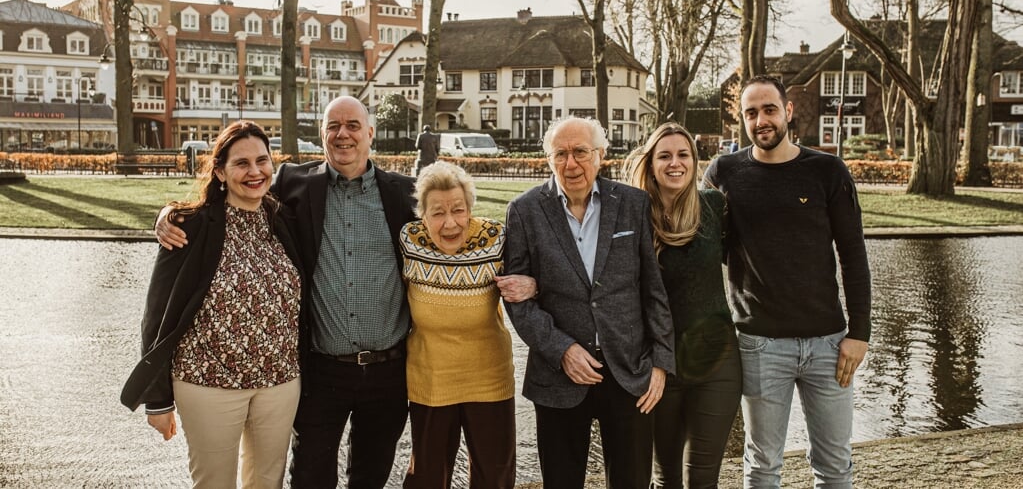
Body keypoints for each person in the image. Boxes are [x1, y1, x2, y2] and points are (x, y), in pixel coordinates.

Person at [157, 95, 417, 489]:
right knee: (309, 478)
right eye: (333, 126)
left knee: (370, 476)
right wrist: (167, 216)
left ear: (370, 133)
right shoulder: (296, 185)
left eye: (352, 126)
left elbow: (454, 221)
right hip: (321, 371)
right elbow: (239, 186)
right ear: (322, 134)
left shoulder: (406, 194)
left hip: (389, 371)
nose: (342, 135)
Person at [702, 75, 871, 488]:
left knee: (834, 464)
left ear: (788, 111)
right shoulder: (724, 171)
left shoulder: (828, 171)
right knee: (762, 465)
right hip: (759, 345)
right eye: (751, 112)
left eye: (769, 109)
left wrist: (860, 333)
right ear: (741, 118)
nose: (761, 120)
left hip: (829, 344)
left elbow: (853, 254)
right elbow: (707, 250)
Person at [122, 120, 304, 488]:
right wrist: (158, 400)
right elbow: (157, 314)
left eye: (262, 161)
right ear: (220, 170)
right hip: (208, 383)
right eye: (241, 163)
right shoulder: (190, 225)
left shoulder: (284, 220)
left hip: (280, 383)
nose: (254, 172)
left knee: (268, 482)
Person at [502, 116, 675, 489]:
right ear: (548, 159)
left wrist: (660, 362)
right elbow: (518, 300)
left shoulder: (633, 204)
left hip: (629, 372)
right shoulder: (524, 211)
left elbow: (653, 289)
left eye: (580, 152)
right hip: (558, 376)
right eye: (559, 154)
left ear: (600, 155)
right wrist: (562, 350)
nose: (570, 164)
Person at [399, 160, 534, 488]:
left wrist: (533, 284)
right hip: (430, 379)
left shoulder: (494, 237)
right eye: (438, 213)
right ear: (423, 215)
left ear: (471, 209)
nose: (449, 223)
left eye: (458, 210)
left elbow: (532, 273)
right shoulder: (409, 240)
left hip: (489, 377)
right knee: (428, 477)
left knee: (494, 476)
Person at [624, 123, 742, 489]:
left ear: (694, 160)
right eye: (665, 156)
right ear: (651, 163)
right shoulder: (633, 215)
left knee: (703, 479)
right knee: (666, 478)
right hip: (660, 367)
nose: (675, 163)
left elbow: (752, 260)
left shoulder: (714, 207)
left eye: (683, 155)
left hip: (717, 363)